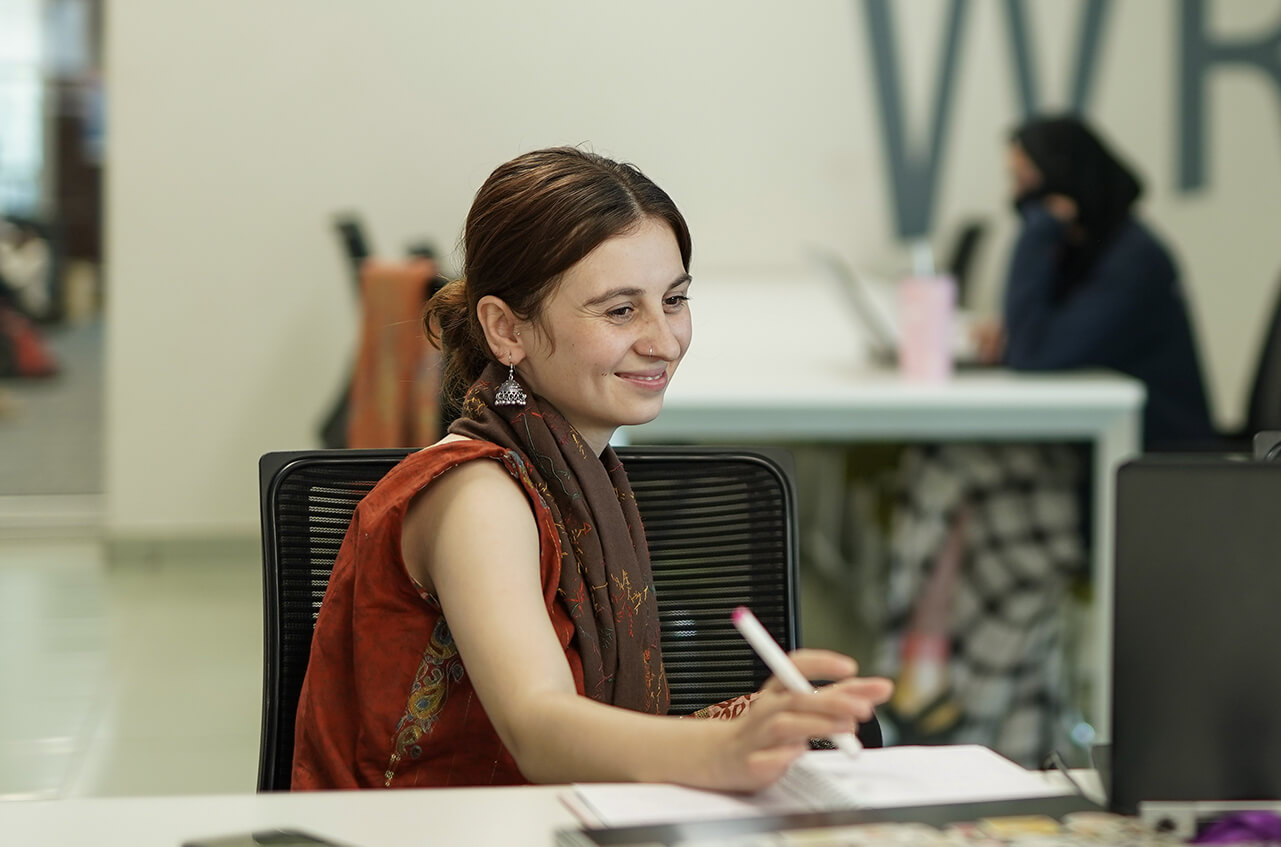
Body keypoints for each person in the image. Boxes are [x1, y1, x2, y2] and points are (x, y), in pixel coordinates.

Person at [291, 148, 892, 790]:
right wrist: (723, 749)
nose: (663, 340)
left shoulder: (577, 465)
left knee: (827, 729)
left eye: (675, 299)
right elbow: (539, 730)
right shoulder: (478, 496)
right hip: (442, 827)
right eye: (619, 310)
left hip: (547, 813)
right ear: (506, 330)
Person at [980, 115, 1214, 448]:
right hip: (1107, 440)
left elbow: (1032, 356)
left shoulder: (1133, 261)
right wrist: (1012, 334)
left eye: (1025, 180)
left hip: (1153, 457)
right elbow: (1035, 342)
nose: (1018, 197)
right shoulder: (1089, 249)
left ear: (1062, 180)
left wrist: (1037, 233)